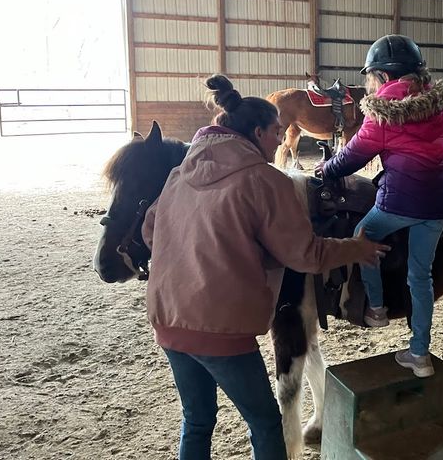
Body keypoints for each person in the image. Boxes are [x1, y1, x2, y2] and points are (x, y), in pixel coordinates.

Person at [141, 75, 390, 460]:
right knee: (265, 422)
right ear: (257, 133)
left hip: (167, 318)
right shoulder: (263, 180)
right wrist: (356, 248)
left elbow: (149, 231)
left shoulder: (179, 174)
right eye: (276, 131)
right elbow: (304, 254)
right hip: (219, 327)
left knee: (197, 418)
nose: (282, 138)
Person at [318, 34, 443, 379]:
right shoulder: (436, 104)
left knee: (363, 236)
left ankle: (376, 307)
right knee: (420, 276)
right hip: (439, 200)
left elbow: (353, 157)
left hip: (400, 200)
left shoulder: (381, 111)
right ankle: (420, 354)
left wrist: (325, 169)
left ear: (381, 76)